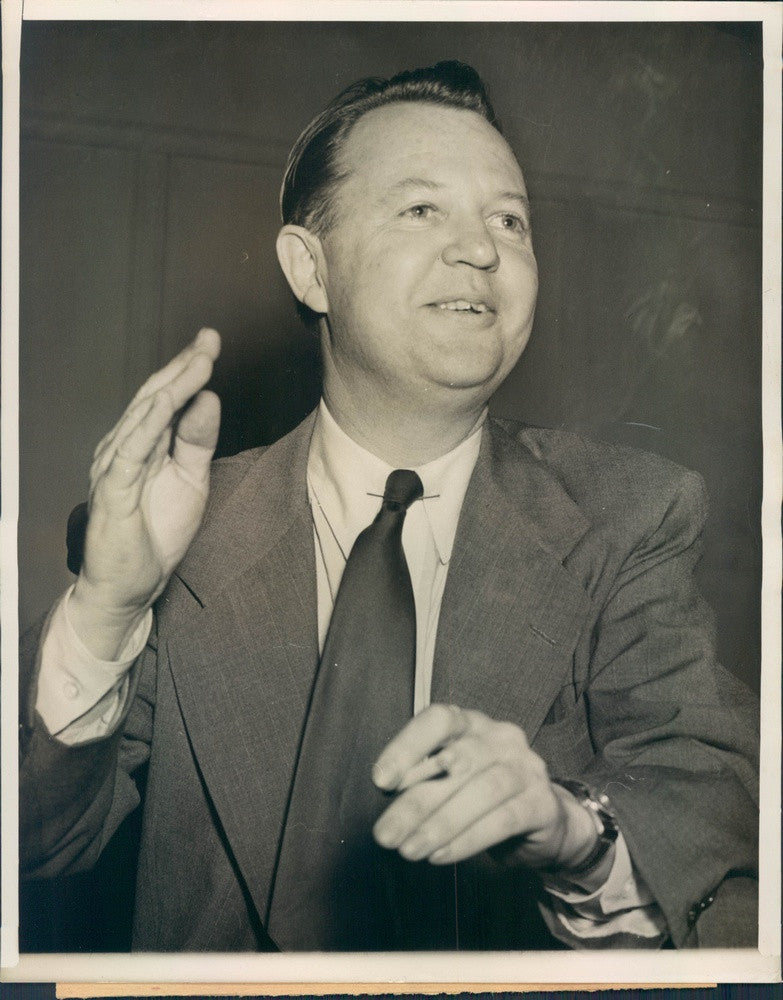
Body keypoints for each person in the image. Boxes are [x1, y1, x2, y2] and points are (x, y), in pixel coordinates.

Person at [20, 61, 758, 952]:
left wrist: (571, 830)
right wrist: (109, 611)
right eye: (421, 209)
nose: (481, 249)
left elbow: (708, 786)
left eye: (510, 219)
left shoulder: (629, 516)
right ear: (310, 267)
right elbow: (37, 844)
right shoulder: (181, 528)